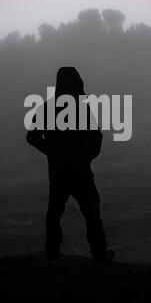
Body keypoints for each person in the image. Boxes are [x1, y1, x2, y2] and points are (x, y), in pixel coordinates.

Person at [26, 67, 114, 266]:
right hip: (81, 172)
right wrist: (86, 157)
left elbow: (32, 137)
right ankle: (99, 256)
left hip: (58, 173)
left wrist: (52, 151)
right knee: (91, 213)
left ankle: (53, 255)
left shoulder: (47, 109)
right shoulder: (80, 109)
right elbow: (96, 138)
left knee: (54, 214)